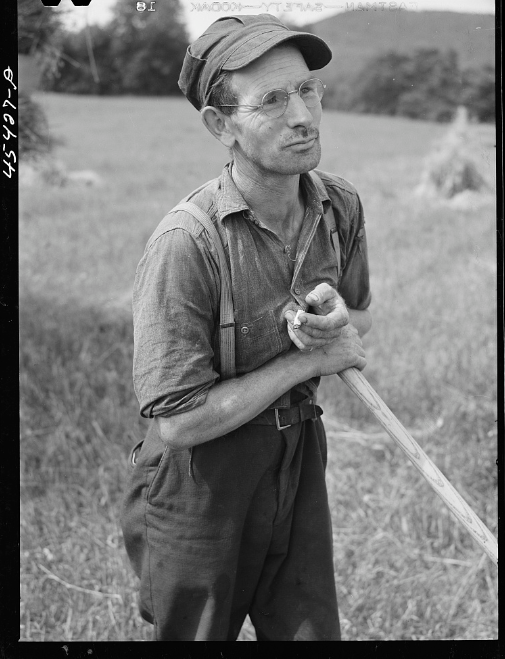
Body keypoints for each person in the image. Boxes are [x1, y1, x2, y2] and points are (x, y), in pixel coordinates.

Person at [121, 14, 372, 641]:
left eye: (308, 88)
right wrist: (308, 362)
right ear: (220, 124)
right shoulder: (187, 243)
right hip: (202, 485)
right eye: (271, 100)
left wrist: (337, 321)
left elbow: (359, 315)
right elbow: (176, 422)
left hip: (298, 459)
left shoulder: (338, 206)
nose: (303, 115)